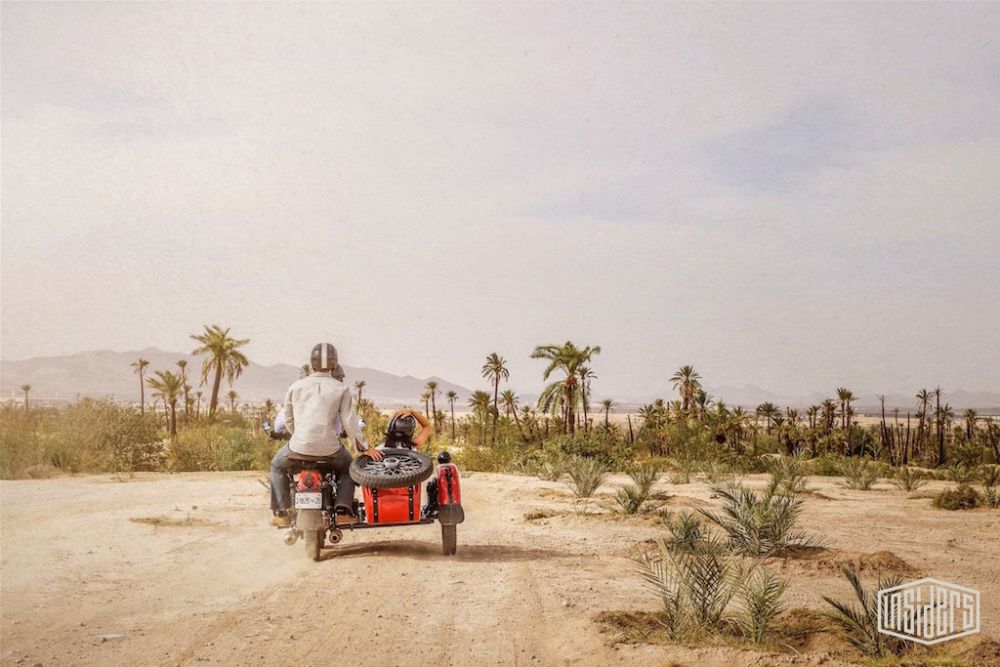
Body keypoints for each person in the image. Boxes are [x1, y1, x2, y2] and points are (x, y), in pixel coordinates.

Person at [269, 343, 381, 527]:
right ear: (334, 363)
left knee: (277, 466)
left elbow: (288, 417)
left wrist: (299, 435)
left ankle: (281, 513)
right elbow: (349, 422)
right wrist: (363, 448)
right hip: (330, 450)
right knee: (349, 469)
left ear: (312, 363)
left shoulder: (296, 387)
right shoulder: (341, 388)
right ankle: (343, 511)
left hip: (297, 447)